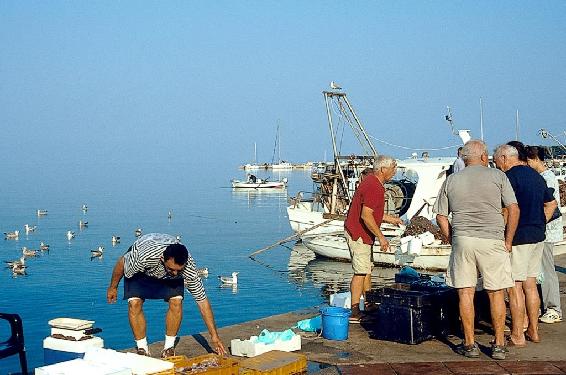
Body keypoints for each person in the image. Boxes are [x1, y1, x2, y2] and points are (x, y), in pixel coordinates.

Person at [433, 140, 519, 360]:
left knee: (465, 292)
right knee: (496, 292)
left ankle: (470, 344)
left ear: (463, 158)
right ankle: (499, 344)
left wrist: (452, 238)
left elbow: (441, 216)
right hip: (492, 239)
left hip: (463, 239)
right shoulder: (498, 177)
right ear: (484, 157)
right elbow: (513, 209)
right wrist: (508, 240)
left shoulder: (452, 179)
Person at [107, 233, 227, 358]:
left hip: (162, 271)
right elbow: (122, 263)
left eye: (179, 270)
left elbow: (203, 303)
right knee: (134, 303)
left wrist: (215, 336)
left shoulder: (188, 268)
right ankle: (142, 348)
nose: (175, 274)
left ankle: (169, 348)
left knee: (177, 301)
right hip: (143, 269)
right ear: (162, 259)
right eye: (171, 269)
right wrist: (113, 287)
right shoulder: (143, 256)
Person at [493, 144, 557, 346]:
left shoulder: (510, 178)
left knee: (515, 287)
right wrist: (540, 221)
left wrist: (504, 236)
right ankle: (533, 330)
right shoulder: (536, 175)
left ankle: (517, 335)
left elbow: (506, 210)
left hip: (518, 236)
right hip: (537, 235)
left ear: (504, 158)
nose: (497, 166)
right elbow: (551, 203)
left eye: (496, 162)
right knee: (530, 285)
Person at [344, 155, 403, 323]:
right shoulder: (374, 187)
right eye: (393, 168)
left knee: (367, 269)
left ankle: (368, 303)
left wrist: (391, 219)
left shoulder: (373, 183)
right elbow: (366, 216)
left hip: (363, 234)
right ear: (383, 169)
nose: (394, 171)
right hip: (359, 234)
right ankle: (355, 311)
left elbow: (372, 212)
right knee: (360, 272)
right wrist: (382, 237)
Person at [526, 146, 563, 324]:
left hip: (546, 231)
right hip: (545, 230)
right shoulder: (546, 177)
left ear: (534, 159)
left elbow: (550, 204)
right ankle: (548, 306)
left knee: (547, 270)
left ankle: (553, 307)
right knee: (543, 270)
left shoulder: (546, 178)